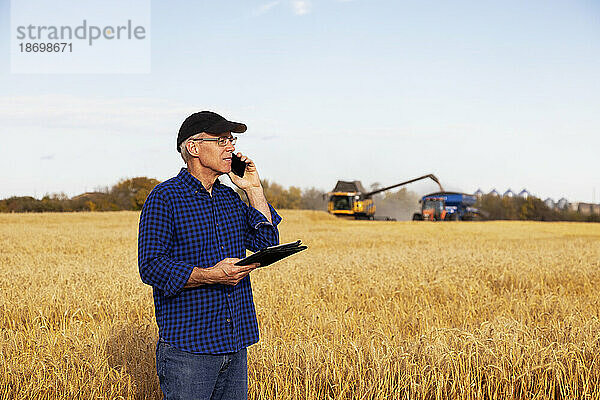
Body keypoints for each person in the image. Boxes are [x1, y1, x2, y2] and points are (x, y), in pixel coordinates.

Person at [138, 111, 281, 400]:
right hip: (190, 349)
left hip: (235, 342)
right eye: (221, 141)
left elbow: (267, 240)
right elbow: (151, 266)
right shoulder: (164, 197)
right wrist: (212, 276)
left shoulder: (230, 198)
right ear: (194, 148)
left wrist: (254, 189)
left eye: (232, 140)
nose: (231, 147)